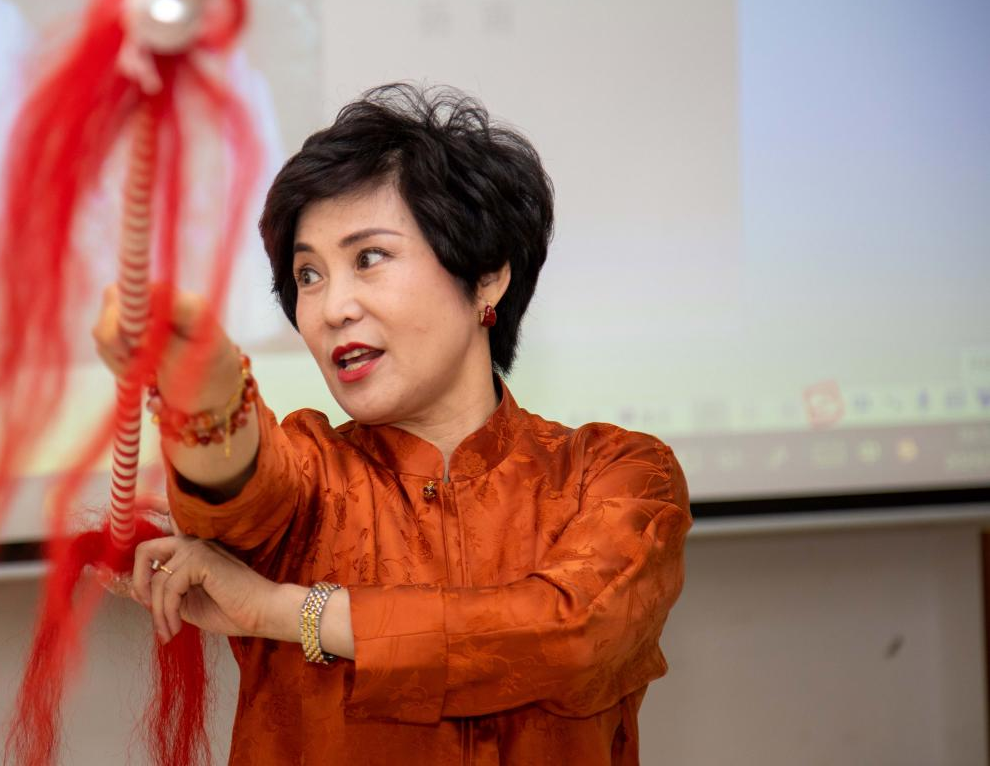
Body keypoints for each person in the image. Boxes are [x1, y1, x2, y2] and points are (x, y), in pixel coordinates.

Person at [92, 83, 692, 765]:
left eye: (368, 258)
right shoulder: (309, 476)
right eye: (308, 275)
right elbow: (239, 488)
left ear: (486, 276)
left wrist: (283, 611)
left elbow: (574, 633)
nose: (332, 308)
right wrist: (205, 387)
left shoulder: (616, 474)